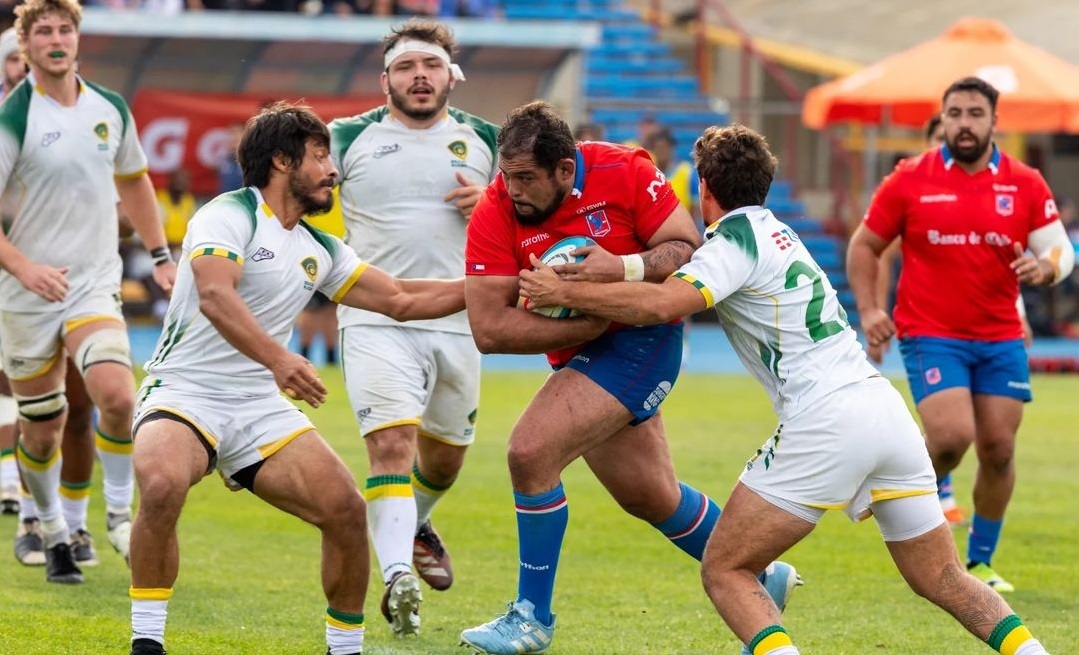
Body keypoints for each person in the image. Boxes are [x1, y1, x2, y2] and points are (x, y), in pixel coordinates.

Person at [520, 122, 1056, 655]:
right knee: (943, 576)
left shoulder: (732, 242)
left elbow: (663, 305)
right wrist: (626, 269)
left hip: (825, 419)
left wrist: (572, 290)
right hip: (884, 409)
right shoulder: (779, 231)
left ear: (703, 188)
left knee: (726, 569)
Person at [126, 101, 467, 655]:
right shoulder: (227, 214)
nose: (333, 170)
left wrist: (493, 288)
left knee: (346, 510)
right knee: (162, 485)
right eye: (320, 156)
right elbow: (215, 295)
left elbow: (403, 298)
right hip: (185, 393)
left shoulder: (319, 248)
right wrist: (280, 360)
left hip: (258, 406)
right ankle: (148, 642)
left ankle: (345, 649)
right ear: (283, 161)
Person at [459, 101, 798, 655]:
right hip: (584, 347)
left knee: (529, 452)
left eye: (525, 178)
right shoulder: (496, 206)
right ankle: (763, 576)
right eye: (506, 174)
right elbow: (490, 330)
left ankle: (531, 618)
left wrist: (613, 273)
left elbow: (686, 248)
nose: (511, 188)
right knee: (650, 496)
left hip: (645, 337)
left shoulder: (626, 169)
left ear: (565, 170)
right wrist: (590, 316)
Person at [847, 77, 1074, 594]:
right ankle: (895, 492)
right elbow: (866, 246)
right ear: (942, 119)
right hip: (931, 332)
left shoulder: (1024, 182)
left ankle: (979, 562)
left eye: (975, 113)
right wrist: (868, 309)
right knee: (951, 438)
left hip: (999, 337)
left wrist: (1045, 269)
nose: (964, 123)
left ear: (995, 121)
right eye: (954, 113)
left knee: (997, 450)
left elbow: (1061, 251)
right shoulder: (910, 178)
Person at [328, 18, 498, 637]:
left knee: (445, 460)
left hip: (461, 319)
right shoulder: (346, 137)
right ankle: (398, 576)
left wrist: (495, 204)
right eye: (405, 67)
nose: (418, 76)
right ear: (385, 80)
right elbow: (298, 201)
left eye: (429, 65)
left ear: (450, 75)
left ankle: (416, 519)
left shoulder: (487, 140)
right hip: (374, 318)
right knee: (391, 446)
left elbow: (533, 222)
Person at [0, 0, 177, 584]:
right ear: (24, 45)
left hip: (92, 284)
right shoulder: (13, 115)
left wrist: (159, 256)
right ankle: (50, 528)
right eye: (43, 30)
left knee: (118, 396)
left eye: (65, 28)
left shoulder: (110, 107)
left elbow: (134, 179)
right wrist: (24, 268)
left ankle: (120, 518)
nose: (56, 39)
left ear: (79, 38)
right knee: (43, 424)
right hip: (27, 293)